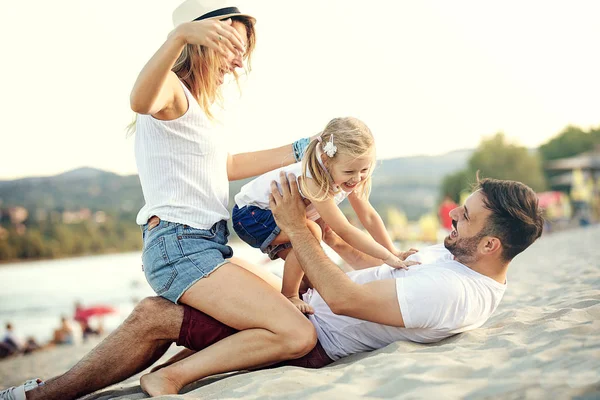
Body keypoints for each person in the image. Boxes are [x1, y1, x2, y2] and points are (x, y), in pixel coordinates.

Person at [3, 175, 544, 400]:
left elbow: (348, 299)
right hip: (309, 312)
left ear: (493, 245)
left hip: (311, 338)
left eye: (465, 218)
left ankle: (42, 395)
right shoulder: (453, 262)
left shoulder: (456, 293)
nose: (453, 218)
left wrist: (296, 227)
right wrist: (332, 217)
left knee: (156, 313)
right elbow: (359, 262)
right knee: (187, 314)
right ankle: (130, 380)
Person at [128, 0, 327, 395]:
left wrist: (303, 147)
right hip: (179, 247)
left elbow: (227, 165)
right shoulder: (170, 88)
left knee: (293, 298)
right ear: (199, 41)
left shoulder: (198, 109)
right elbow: (139, 100)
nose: (238, 63)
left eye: (242, 52)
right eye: (231, 48)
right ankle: (169, 377)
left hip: (206, 247)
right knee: (296, 334)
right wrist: (178, 36)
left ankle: (173, 367)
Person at [233, 117, 416, 314]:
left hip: (273, 216)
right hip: (251, 215)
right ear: (327, 161)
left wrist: (394, 251)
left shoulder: (348, 172)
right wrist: (386, 256)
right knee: (312, 231)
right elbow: (343, 229)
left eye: (364, 170)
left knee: (311, 273)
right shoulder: (313, 178)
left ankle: (298, 294)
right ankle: (289, 295)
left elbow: (368, 215)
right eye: (349, 171)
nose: (357, 178)